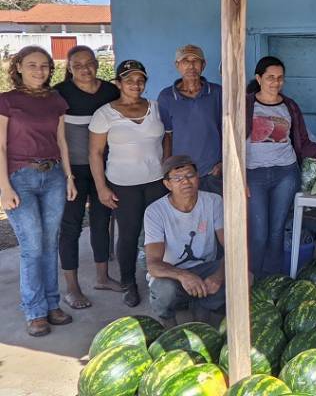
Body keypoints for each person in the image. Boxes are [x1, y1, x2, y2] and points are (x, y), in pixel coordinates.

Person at [0, 46, 77, 336]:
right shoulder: (7, 101)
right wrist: (4, 187)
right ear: (18, 67)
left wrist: (69, 177)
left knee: (49, 242)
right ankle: (35, 311)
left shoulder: (56, 100)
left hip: (54, 176)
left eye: (44, 65)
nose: (39, 70)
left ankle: (52, 304)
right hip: (20, 178)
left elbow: (62, 141)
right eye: (32, 65)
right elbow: (0, 146)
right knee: (32, 245)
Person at [246, 56, 316, 278]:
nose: (276, 82)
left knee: (277, 231)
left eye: (280, 78)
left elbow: (303, 143)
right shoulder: (246, 105)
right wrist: (238, 178)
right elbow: (231, 143)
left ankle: (272, 282)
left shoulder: (289, 106)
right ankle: (252, 282)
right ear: (259, 78)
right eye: (270, 77)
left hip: (285, 174)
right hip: (254, 175)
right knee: (258, 233)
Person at [89, 59, 168, 307]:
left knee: (159, 233)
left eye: (140, 80)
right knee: (129, 235)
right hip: (123, 185)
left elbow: (167, 138)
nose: (136, 84)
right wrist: (101, 188)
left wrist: (167, 168)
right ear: (118, 83)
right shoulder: (105, 114)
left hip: (157, 181)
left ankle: (163, 279)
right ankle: (128, 283)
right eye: (129, 80)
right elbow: (95, 153)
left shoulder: (156, 108)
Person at [54, 45, 122, 309]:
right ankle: (72, 288)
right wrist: (66, 173)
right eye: (78, 65)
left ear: (97, 63)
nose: (85, 69)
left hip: (104, 168)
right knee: (71, 225)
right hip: (72, 170)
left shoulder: (110, 91)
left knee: (101, 221)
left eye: (89, 63)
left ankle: (102, 277)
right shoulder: (60, 93)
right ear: (70, 68)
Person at [144, 155, 226, 327]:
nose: (186, 182)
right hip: (172, 273)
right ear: (167, 184)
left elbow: (232, 248)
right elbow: (153, 265)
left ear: (198, 178)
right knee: (164, 290)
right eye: (177, 178)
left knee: (242, 276)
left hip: (204, 269)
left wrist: (218, 276)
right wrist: (184, 276)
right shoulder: (155, 211)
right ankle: (169, 326)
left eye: (190, 175)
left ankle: (204, 310)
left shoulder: (214, 202)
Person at [158, 44, 223, 195]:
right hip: (181, 174)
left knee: (216, 209)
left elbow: (226, 129)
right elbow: (167, 135)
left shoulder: (217, 92)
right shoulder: (166, 97)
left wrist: (223, 163)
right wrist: (167, 169)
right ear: (177, 65)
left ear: (203, 65)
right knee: (185, 209)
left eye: (196, 61)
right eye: (185, 61)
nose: (191, 66)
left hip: (212, 172)